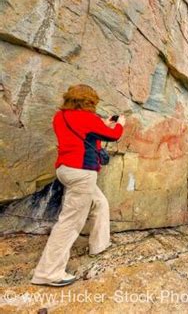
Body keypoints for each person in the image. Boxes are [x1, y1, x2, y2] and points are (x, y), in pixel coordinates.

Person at [31, 84, 125, 287]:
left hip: (65, 170)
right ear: (89, 102)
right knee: (70, 222)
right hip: (82, 174)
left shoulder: (60, 116)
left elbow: (86, 132)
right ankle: (48, 272)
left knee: (99, 203)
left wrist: (104, 124)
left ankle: (99, 245)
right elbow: (114, 135)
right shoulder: (88, 119)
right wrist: (120, 124)